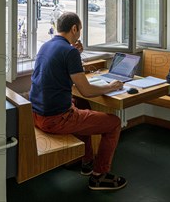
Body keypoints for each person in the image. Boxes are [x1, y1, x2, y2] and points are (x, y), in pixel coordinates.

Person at [29, 11, 127, 191]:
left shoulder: (46, 46)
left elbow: (64, 71)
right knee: (114, 123)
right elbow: (87, 90)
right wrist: (111, 86)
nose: (79, 34)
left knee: (82, 104)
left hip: (36, 115)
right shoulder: (69, 52)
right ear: (74, 28)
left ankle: (87, 161)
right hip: (56, 119)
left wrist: (75, 53)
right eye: (79, 30)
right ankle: (99, 176)